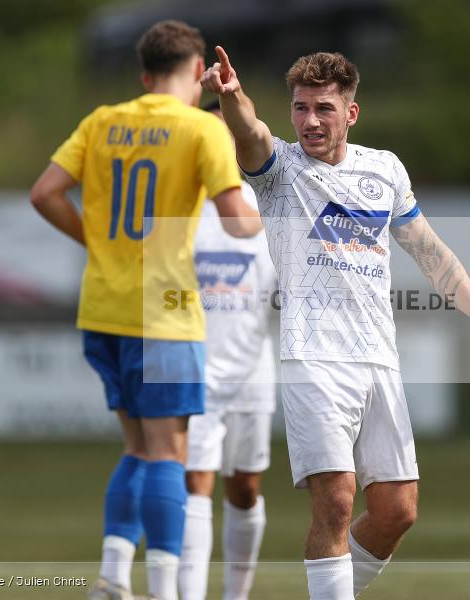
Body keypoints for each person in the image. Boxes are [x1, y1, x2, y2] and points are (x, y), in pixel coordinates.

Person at [201, 47, 470, 598]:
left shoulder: (384, 169)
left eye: (323, 108)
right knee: (338, 498)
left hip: (378, 359)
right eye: (300, 108)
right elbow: (249, 134)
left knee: (396, 510)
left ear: (351, 112)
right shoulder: (280, 171)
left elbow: (427, 248)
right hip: (313, 357)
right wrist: (232, 97)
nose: (310, 121)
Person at [29, 21, 262, 600]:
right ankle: (161, 590)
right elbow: (238, 222)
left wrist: (95, 241)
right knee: (168, 454)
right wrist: (263, 217)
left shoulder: (103, 120)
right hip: (165, 312)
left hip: (102, 309)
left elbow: (44, 193)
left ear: (143, 74)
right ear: (196, 70)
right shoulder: (199, 129)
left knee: (136, 447)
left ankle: (112, 576)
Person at [177, 101, 278, 600]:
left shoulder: (266, 206)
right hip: (194, 369)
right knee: (193, 482)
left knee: (244, 488)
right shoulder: (184, 208)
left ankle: (236, 595)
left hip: (251, 372)